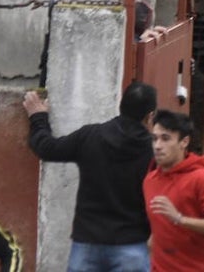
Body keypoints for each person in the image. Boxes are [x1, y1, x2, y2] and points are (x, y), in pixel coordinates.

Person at [22, 81, 157, 271]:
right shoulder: (154, 152)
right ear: (150, 116)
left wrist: (38, 116)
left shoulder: (91, 136)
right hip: (131, 244)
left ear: (121, 104)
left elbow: (47, 148)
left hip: (88, 241)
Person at [144, 110, 204, 272]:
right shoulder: (150, 181)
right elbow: (158, 229)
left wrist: (179, 219)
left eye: (165, 139)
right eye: (154, 139)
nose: (157, 146)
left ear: (184, 142)